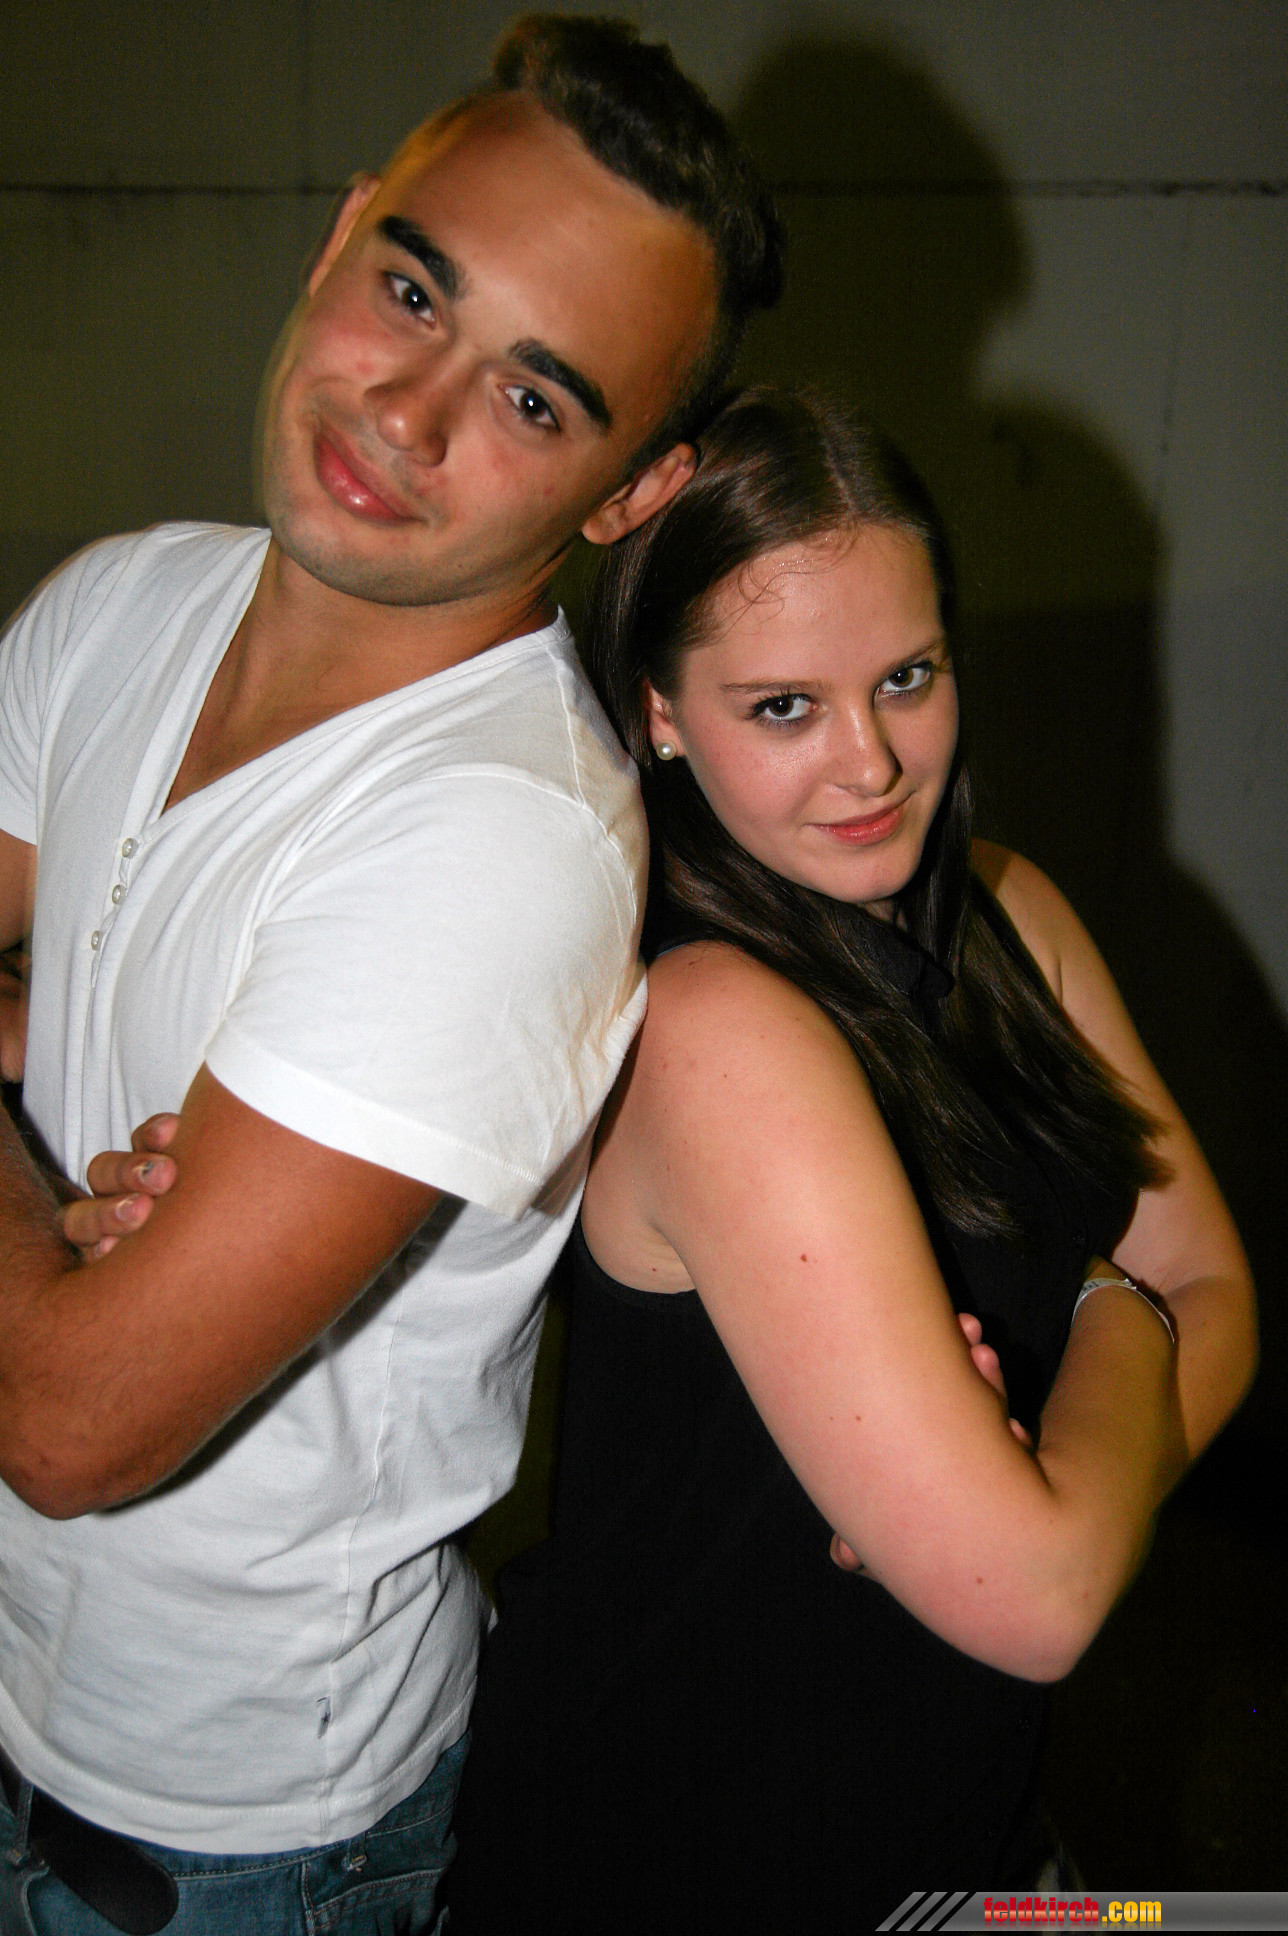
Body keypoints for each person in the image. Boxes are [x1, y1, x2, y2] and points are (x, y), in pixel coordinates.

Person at [0, 18, 781, 1933]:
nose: (407, 415)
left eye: (534, 399)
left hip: (229, 1835)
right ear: (341, 232)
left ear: (629, 494)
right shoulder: (122, 600)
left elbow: (71, 1422)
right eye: (412, 291)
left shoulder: (502, 840)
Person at [442, 387, 1258, 1933]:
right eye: (783, 708)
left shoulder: (1013, 917)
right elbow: (1043, 1595)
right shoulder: (708, 1025)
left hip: (965, 1835)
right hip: (689, 1860)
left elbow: (1219, 1288)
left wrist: (1045, 1472)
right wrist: (1115, 1324)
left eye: (907, 677)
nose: (870, 763)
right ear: (660, 713)